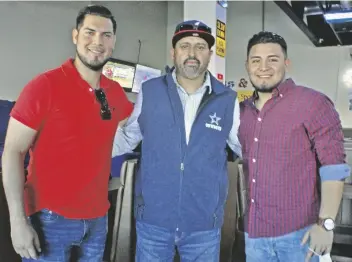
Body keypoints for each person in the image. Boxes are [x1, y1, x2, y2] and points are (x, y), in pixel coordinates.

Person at [2, 5, 133, 262]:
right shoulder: (45, 85)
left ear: (113, 42)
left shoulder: (114, 92)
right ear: (75, 36)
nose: (98, 42)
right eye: (90, 32)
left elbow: (137, 127)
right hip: (49, 219)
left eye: (106, 35)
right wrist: (17, 221)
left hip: (97, 220)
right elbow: (12, 151)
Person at [112, 20, 242, 261]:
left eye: (200, 47)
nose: (192, 53)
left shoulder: (227, 99)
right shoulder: (149, 91)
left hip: (203, 224)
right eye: (185, 45)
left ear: (210, 54)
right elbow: (127, 138)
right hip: (154, 221)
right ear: (173, 52)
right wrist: (81, 148)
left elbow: (245, 147)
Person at [239, 31, 350, 262]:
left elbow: (334, 167)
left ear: (286, 63)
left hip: (300, 236)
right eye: (256, 60)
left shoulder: (313, 103)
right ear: (247, 65)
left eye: (273, 59)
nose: (264, 67)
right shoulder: (242, 112)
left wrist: (326, 224)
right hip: (255, 236)